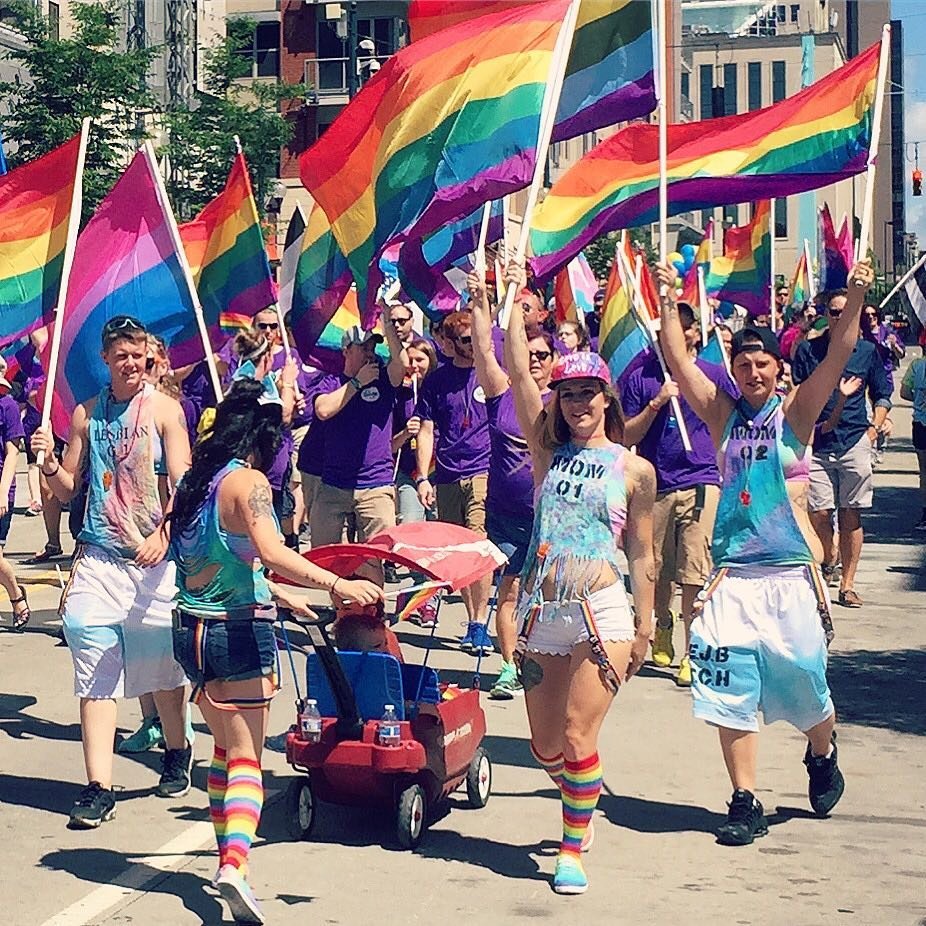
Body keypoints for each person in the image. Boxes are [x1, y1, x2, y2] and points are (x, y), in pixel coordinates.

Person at [654, 259, 874, 847]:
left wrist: (852, 298)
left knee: (805, 682)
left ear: (778, 369)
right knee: (730, 689)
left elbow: (836, 355)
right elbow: (676, 359)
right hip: (732, 577)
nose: (752, 371)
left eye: (762, 363)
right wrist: (668, 298)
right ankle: (744, 800)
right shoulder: (722, 416)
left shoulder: (795, 415)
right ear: (734, 370)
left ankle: (822, 751)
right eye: (743, 364)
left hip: (790, 574)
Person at [169, 377, 381, 924]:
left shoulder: (195, 481)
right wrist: (337, 586)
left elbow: (226, 559)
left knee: (222, 749)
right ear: (262, 437)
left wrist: (279, 594)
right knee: (246, 759)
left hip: (190, 629)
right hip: (236, 631)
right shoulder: (248, 482)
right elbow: (270, 548)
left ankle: (225, 856)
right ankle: (235, 865)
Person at [505, 265, 655, 895]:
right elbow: (516, 372)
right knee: (545, 746)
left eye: (588, 394)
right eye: (567, 395)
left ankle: (572, 850)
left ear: (606, 400)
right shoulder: (547, 454)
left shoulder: (634, 470)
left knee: (577, 733)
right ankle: (577, 791)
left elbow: (644, 555)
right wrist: (509, 304)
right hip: (544, 611)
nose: (577, 404)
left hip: (603, 611)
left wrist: (647, 623)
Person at [30, 315, 193, 828]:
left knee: (163, 668)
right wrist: (49, 464)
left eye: (137, 353)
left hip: (152, 562)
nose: (130, 362)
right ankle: (98, 786)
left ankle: (177, 747)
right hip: (99, 557)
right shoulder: (87, 414)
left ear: (147, 355)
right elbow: (68, 488)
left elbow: (185, 487)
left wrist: (163, 535)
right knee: (91, 656)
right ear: (105, 359)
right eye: (120, 354)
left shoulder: (166, 411)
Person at [621, 301, 737, 686]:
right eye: (660, 331)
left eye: (675, 329)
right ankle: (663, 621)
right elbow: (626, 435)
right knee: (656, 571)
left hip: (702, 480)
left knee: (694, 570)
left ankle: (693, 652)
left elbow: (733, 422)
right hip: (655, 484)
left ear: (691, 333)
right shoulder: (640, 376)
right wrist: (656, 403)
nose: (665, 337)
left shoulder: (713, 374)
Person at [468, 269, 557, 699]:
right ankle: (507, 666)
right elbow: (485, 349)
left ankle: (544, 662)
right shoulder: (501, 392)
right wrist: (481, 301)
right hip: (505, 515)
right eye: (530, 354)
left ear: (554, 362)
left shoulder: (569, 404)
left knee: (545, 598)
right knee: (510, 589)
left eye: (543, 355)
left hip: (551, 519)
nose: (535, 361)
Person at [792, 287, 893, 607]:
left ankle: (847, 584)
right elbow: (796, 392)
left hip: (854, 441)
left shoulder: (866, 351)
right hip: (817, 444)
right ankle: (829, 553)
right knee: (819, 514)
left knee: (851, 514)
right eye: (834, 312)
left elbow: (882, 393)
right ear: (826, 315)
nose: (840, 317)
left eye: (846, 311)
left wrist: (874, 429)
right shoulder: (809, 351)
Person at [415, 310, 494, 654]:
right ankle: (471, 616)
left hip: (484, 471)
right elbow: (428, 431)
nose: (471, 345)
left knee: (478, 544)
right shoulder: (436, 382)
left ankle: (479, 623)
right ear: (446, 343)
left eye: (474, 337)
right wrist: (422, 476)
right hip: (447, 473)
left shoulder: (490, 373)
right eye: (464, 339)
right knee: (460, 552)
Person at [311, 313, 407, 583]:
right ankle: (342, 612)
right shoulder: (331, 381)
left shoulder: (384, 380)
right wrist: (356, 384)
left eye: (372, 346)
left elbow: (401, 364)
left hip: (375, 484)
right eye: (363, 346)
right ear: (346, 350)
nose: (369, 352)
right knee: (326, 557)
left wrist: (389, 328)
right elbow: (323, 410)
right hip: (333, 484)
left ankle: (373, 614)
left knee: (375, 556)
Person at [392, 338, 439, 623]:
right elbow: (388, 446)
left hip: (439, 474)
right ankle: (415, 590)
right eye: (410, 360)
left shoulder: (437, 391)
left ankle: (427, 598)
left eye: (420, 359)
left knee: (437, 540)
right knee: (411, 531)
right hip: (408, 474)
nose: (414, 366)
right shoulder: (400, 396)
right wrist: (406, 434)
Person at [0, 360, 29, 630]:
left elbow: (12, 453)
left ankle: (16, 595)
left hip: (0, 488)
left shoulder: (7, 406)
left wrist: (1, 493)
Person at [901, 346, 926, 530]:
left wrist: (918, 399)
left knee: (924, 471)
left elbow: (904, 392)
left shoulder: (916, 366)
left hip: (921, 423)